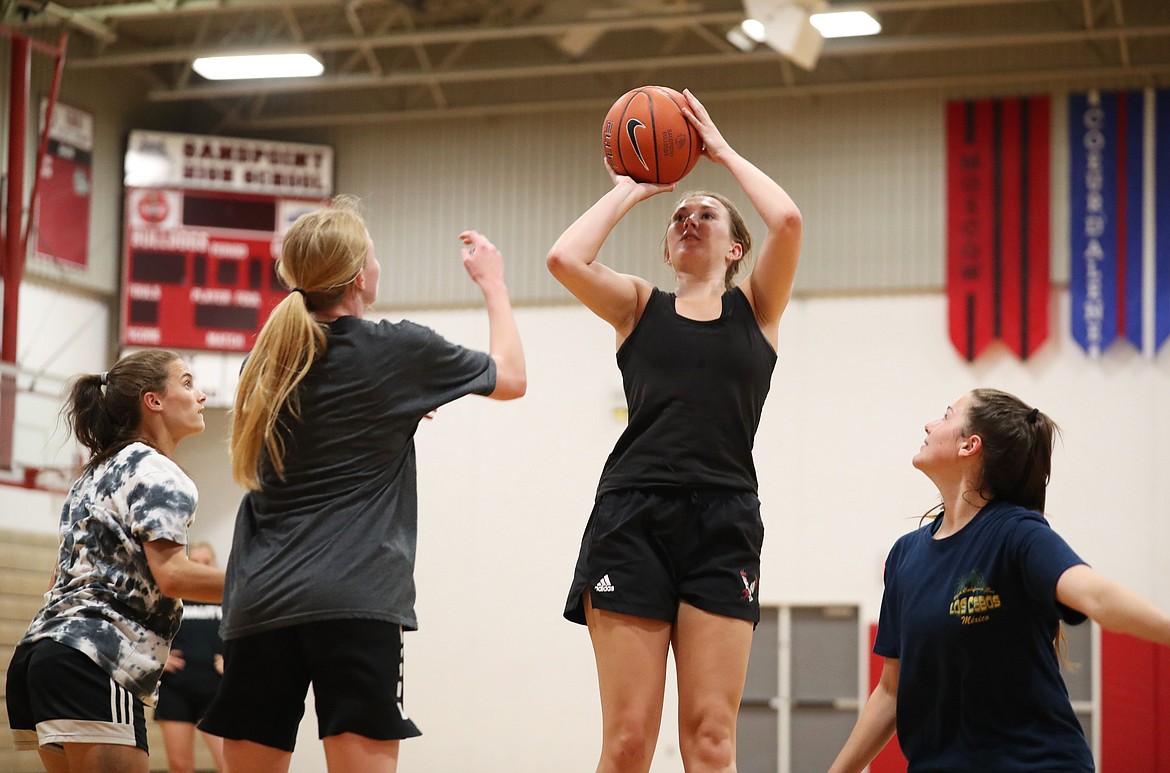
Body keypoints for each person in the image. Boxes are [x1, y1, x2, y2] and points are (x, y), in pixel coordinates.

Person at [198, 195, 526, 773]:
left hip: (258, 601)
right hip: (353, 600)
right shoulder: (398, 349)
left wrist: (397, 407)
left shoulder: (270, 357)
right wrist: (494, 284)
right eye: (373, 254)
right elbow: (513, 378)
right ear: (357, 276)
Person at [548, 89, 803, 773]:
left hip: (725, 518)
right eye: (680, 214)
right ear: (667, 245)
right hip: (633, 513)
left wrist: (717, 152)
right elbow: (565, 259)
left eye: (707, 212)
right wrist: (633, 188)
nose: (689, 217)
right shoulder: (638, 305)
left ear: (736, 246)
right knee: (628, 742)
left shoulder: (758, 307)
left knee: (712, 738)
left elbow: (787, 217)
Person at [829, 388, 1170, 773]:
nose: (929, 424)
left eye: (945, 415)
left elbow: (1096, 598)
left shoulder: (1017, 533)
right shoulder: (905, 555)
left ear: (969, 446)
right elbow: (891, 691)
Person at [5, 349, 225, 773]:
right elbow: (173, 575)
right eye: (186, 382)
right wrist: (265, 583)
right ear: (153, 400)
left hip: (40, 657)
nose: (200, 396)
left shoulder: (93, 473)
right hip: (96, 658)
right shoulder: (159, 472)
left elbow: (58, 577)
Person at [154, 542, 226, 773]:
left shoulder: (227, 597)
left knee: (229, 764)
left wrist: (231, 658)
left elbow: (245, 636)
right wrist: (157, 659)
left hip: (215, 690)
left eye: (207, 562)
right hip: (176, 689)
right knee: (180, 766)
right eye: (194, 562)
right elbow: (145, 632)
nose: (202, 568)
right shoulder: (170, 597)